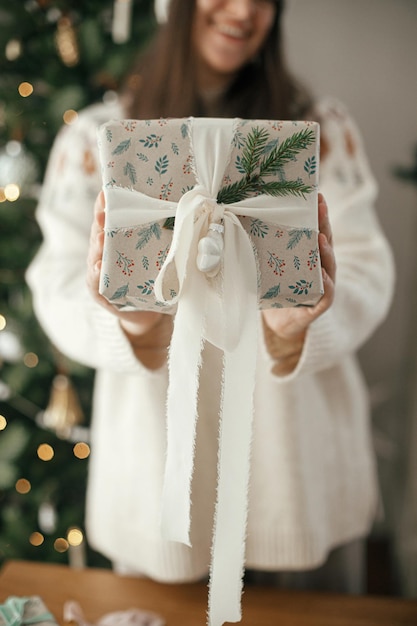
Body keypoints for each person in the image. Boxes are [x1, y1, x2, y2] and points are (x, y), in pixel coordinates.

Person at [27, 0, 395, 600]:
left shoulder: (320, 129)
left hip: (297, 487)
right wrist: (132, 325)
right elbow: (57, 281)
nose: (245, 10)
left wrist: (294, 328)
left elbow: (368, 266)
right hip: (158, 490)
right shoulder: (99, 137)